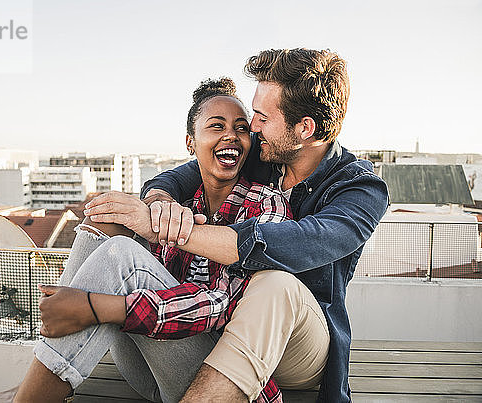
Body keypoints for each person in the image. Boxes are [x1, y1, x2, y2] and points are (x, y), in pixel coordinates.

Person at [88, 48, 389, 402]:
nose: (253, 127)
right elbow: (183, 174)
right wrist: (159, 203)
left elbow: (294, 243)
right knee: (106, 226)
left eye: (261, 117)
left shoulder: (360, 189)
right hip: (224, 326)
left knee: (276, 284)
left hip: (301, 347)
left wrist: (174, 231)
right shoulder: (265, 154)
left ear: (305, 128)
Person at [0, 78, 292, 403]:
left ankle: (29, 397)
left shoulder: (266, 204)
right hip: (150, 369)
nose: (231, 135)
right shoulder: (178, 204)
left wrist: (97, 307)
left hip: (212, 376)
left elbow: (221, 306)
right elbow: (157, 203)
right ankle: (35, 382)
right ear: (191, 143)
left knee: (122, 256)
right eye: (216, 126)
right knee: (106, 218)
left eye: (241, 128)